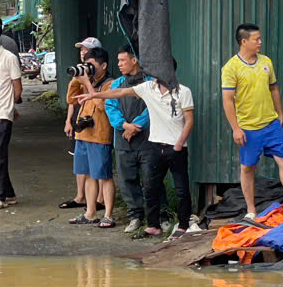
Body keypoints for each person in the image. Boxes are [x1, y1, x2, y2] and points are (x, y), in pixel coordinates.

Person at [75, 64, 195, 238]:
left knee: (181, 189)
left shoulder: (183, 91)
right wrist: (95, 94)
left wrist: (179, 144)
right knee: (150, 187)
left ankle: (183, 225)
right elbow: (120, 93)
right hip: (154, 145)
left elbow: (189, 120)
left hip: (176, 148)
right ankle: (153, 226)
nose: (153, 74)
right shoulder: (148, 88)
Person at [220, 23, 283, 217]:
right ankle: (250, 210)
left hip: (271, 124)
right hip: (248, 128)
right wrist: (235, 129)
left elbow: (274, 89)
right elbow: (227, 100)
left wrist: (280, 114)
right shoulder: (231, 68)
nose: (260, 42)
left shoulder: (266, 62)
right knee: (248, 168)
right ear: (244, 41)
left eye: (260, 38)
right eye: (256, 39)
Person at [66, 46, 116, 227]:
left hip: (100, 136)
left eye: (92, 66)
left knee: (104, 176)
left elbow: (103, 107)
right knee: (87, 175)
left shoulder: (110, 83)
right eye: (86, 65)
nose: (89, 69)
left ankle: (108, 215)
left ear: (104, 65)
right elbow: (71, 100)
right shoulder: (87, 80)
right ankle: (90, 213)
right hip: (83, 135)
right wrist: (76, 79)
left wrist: (88, 84)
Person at [105, 47, 153, 233]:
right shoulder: (117, 84)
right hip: (123, 139)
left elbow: (152, 107)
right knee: (127, 180)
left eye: (123, 60)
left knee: (151, 179)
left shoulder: (150, 82)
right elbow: (110, 106)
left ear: (134, 61)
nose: (119, 64)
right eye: (118, 61)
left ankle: (157, 216)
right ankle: (135, 216)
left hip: (147, 139)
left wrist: (136, 126)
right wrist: (125, 126)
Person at [59, 37, 99, 211]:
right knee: (79, 159)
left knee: (95, 162)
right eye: (81, 50)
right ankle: (80, 196)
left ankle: (98, 199)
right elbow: (72, 100)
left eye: (86, 50)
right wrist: (69, 120)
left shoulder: (99, 75)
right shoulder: (80, 72)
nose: (83, 52)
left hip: (94, 122)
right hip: (79, 119)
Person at [0, 33, 19, 209]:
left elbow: (17, 88)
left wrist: (12, 107)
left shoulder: (9, 58)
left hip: (3, 113)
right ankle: (9, 193)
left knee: (0, 155)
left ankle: (1, 196)